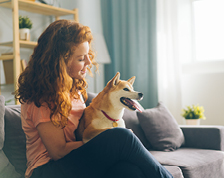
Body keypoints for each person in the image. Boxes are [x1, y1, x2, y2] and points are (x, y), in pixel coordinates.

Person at [15, 19, 173, 178]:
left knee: (130, 171)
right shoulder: (41, 98)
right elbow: (58, 151)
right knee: (122, 137)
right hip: (47, 170)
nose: (89, 62)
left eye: (87, 56)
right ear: (60, 62)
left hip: (75, 161)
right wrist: (106, 139)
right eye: (81, 58)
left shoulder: (74, 92)